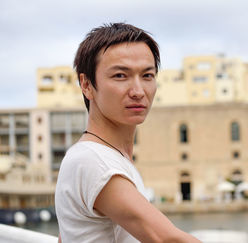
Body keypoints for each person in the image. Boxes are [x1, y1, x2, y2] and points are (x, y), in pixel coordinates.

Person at [55, 23, 201, 243]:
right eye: (121, 76)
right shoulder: (94, 161)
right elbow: (166, 239)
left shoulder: (103, 157)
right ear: (86, 85)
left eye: (147, 76)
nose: (138, 91)